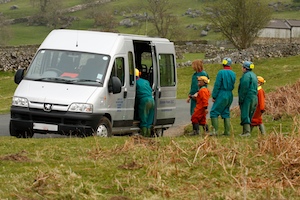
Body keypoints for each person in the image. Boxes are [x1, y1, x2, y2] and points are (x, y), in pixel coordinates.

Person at [209, 57, 236, 136]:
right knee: (226, 112)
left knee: (214, 112)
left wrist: (214, 96)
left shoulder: (221, 73)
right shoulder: (233, 73)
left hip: (222, 94)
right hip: (230, 94)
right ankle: (227, 132)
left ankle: (215, 131)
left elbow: (217, 85)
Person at [238, 61, 258, 137]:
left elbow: (243, 88)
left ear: (245, 68)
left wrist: (241, 99)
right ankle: (245, 131)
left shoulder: (246, 76)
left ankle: (246, 132)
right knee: (250, 114)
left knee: (245, 114)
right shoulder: (254, 75)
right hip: (254, 97)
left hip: (247, 97)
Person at [135, 68, 155, 137]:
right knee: (149, 119)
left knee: (144, 118)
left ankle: (144, 136)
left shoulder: (135, 83)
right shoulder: (146, 81)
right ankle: (148, 135)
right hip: (152, 100)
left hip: (144, 101)